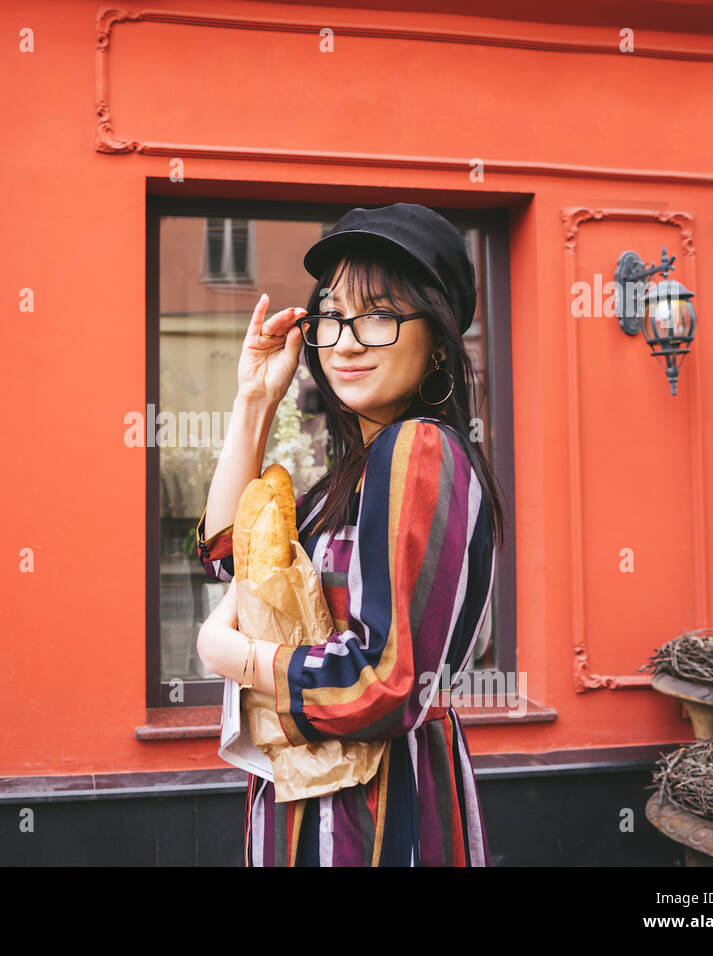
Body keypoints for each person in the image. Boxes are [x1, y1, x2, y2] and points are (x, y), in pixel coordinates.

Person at [194, 203, 507, 866]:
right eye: (333, 315)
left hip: (373, 819)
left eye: (380, 314)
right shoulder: (353, 474)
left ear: (440, 342)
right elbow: (229, 555)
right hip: (315, 802)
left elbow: (383, 685)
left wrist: (235, 658)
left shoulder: (418, 450)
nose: (346, 341)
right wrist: (255, 399)